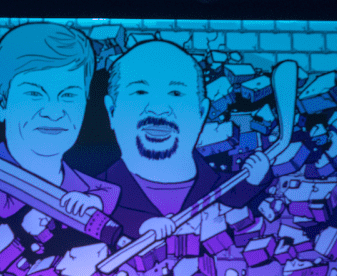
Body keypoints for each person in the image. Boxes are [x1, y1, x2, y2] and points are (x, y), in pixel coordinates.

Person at [101, 40, 273, 239]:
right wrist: (139, 226)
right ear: (112, 111)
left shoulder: (219, 185)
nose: (158, 108)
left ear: (201, 113)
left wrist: (255, 178)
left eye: (176, 93)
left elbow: (239, 201)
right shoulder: (94, 194)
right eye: (140, 91)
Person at [0, 22, 120, 220]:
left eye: (69, 95)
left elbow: (110, 193)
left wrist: (95, 202)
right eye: (35, 94)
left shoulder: (83, 185)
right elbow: (6, 208)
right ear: (2, 103)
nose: (54, 113)